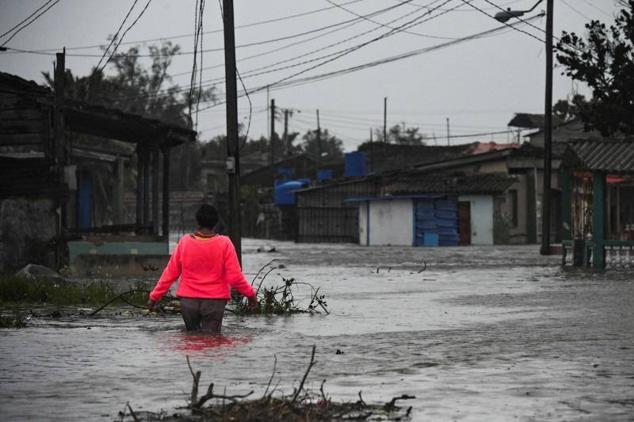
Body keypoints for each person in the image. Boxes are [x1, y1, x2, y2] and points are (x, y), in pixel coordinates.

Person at [147, 204, 257, 333]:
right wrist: (250, 294)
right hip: (214, 302)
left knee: (192, 341)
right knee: (212, 342)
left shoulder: (184, 242)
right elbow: (235, 278)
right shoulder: (225, 243)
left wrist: (154, 297)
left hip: (188, 302)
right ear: (216, 222)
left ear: (197, 221)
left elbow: (170, 273)